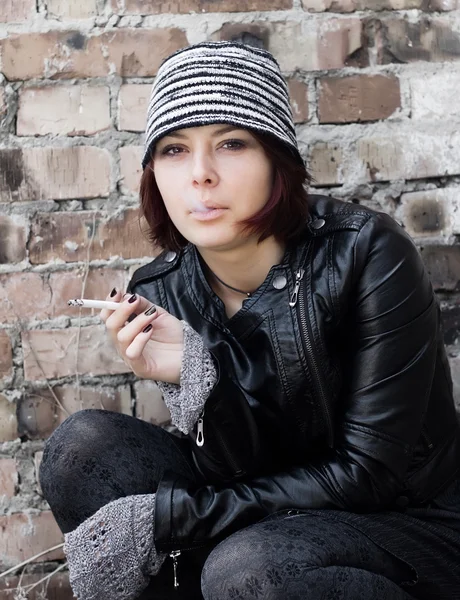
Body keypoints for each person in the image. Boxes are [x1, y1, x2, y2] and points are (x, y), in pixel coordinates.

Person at [39, 41, 460, 600]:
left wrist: (171, 520)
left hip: (407, 523)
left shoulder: (367, 254)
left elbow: (370, 474)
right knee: (83, 446)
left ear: (276, 158)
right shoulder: (161, 289)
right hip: (261, 519)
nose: (201, 175)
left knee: (248, 565)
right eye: (173, 149)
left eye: (232, 143)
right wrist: (197, 375)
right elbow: (231, 468)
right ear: (152, 173)